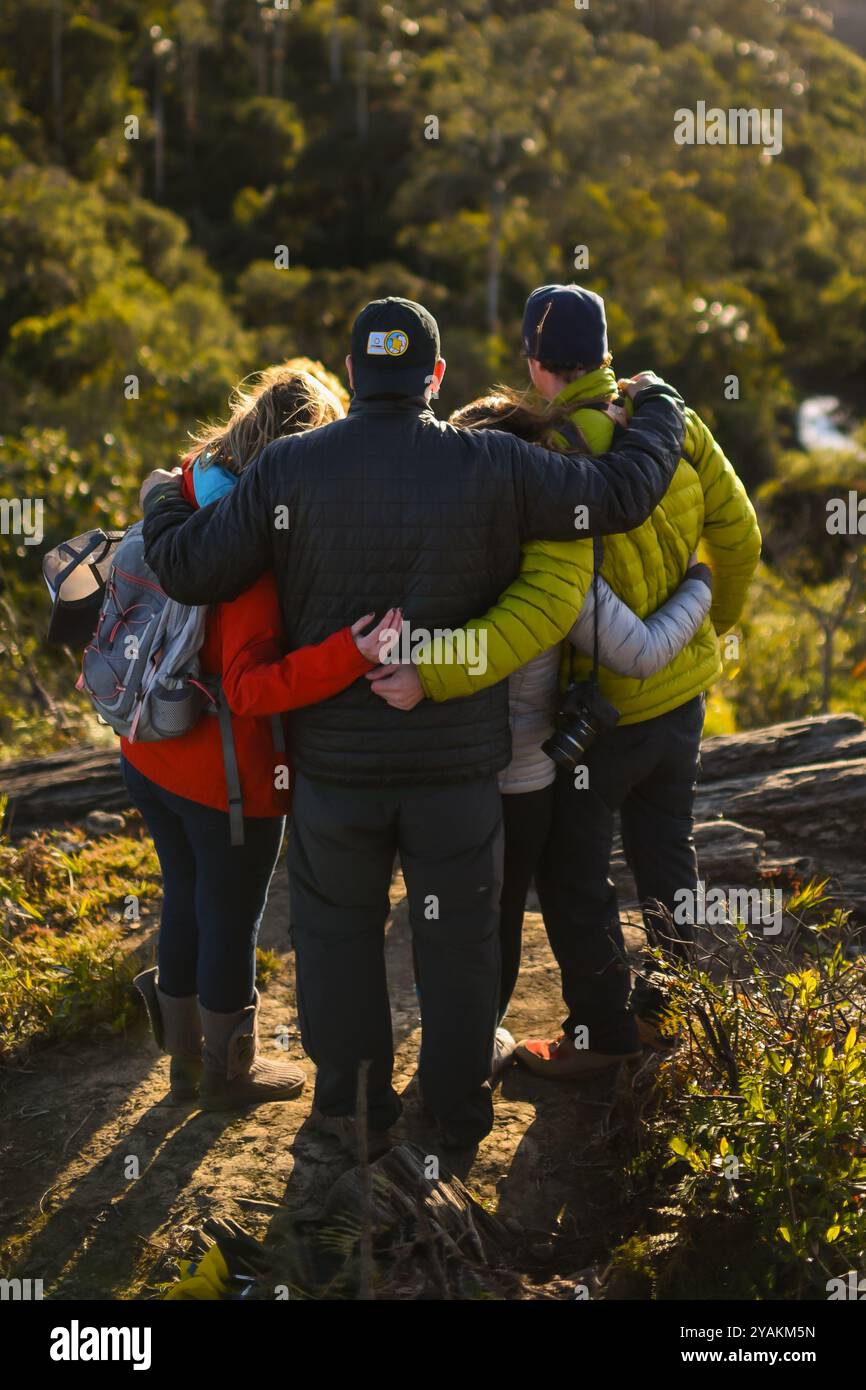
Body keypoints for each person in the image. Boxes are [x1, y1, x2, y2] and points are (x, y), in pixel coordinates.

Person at [139, 295, 686, 1155]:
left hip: (336, 771)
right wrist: (659, 409)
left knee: (338, 941)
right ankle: (457, 1120)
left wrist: (161, 499)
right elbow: (620, 494)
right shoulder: (496, 464)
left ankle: (351, 1116)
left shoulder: (288, 470)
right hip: (456, 771)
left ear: (354, 374)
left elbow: (188, 567)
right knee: (460, 945)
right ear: (435, 376)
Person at [368, 389, 715, 1029]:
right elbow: (638, 651)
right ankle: (516, 1040)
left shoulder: (418, 544)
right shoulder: (550, 558)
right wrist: (702, 588)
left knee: (457, 914)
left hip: (432, 769)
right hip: (524, 773)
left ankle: (464, 1048)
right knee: (514, 902)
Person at [500, 285, 761, 1075]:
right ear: (608, 353)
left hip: (597, 715)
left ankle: (600, 1040)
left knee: (574, 874)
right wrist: (710, 629)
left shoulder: (545, 454)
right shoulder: (674, 423)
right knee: (664, 853)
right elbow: (741, 539)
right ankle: (672, 1014)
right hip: (681, 698)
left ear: (535, 364)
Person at [127, 363, 398, 1111]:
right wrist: (354, 649)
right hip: (225, 778)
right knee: (228, 916)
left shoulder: (189, 485)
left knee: (182, 896)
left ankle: (183, 1069)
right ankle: (229, 1074)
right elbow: (250, 688)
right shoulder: (249, 546)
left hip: (150, 751)